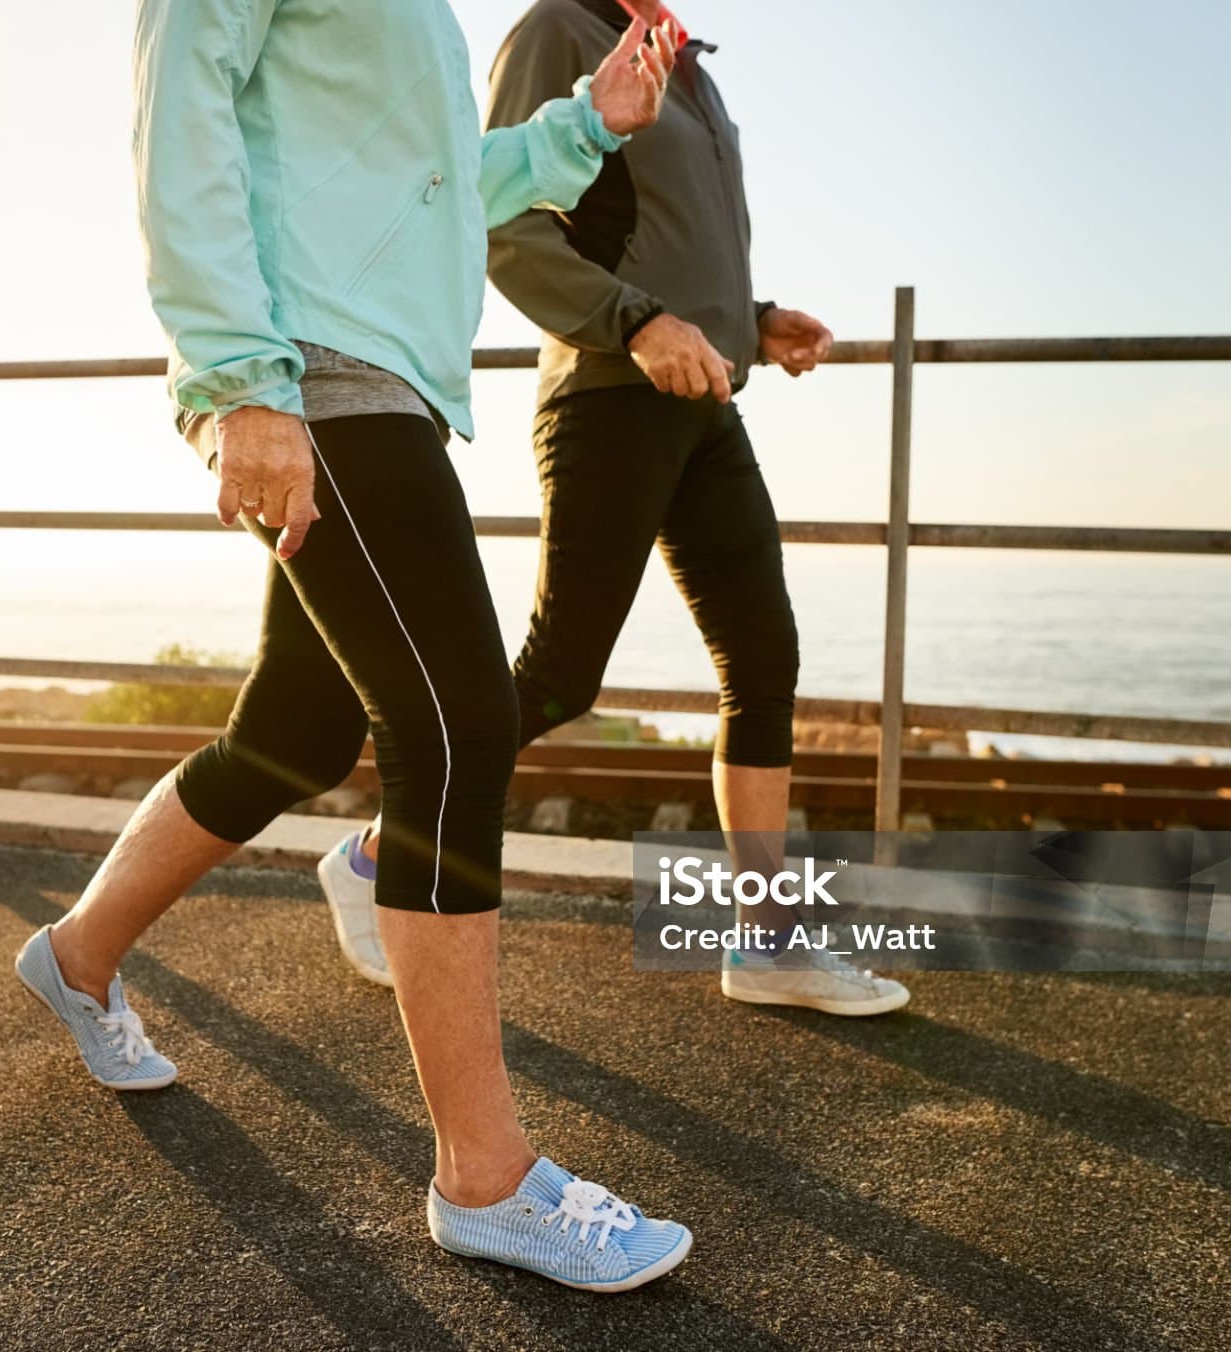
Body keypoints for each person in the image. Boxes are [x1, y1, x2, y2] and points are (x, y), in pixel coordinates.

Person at [16, 0, 695, 1293]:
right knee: (455, 728)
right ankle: (485, 1181)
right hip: (315, 372)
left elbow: (438, 182)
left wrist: (580, 129)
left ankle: (77, 956)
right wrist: (237, 379)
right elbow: (184, 114)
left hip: (380, 377)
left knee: (297, 730)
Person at [317, 0, 911, 1018]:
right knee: (559, 674)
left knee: (762, 661)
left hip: (703, 399)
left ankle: (764, 942)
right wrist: (633, 321)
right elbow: (491, 217)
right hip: (604, 397)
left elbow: (658, 227)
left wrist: (750, 319)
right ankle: (376, 855)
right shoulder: (557, 30)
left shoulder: (687, 62)